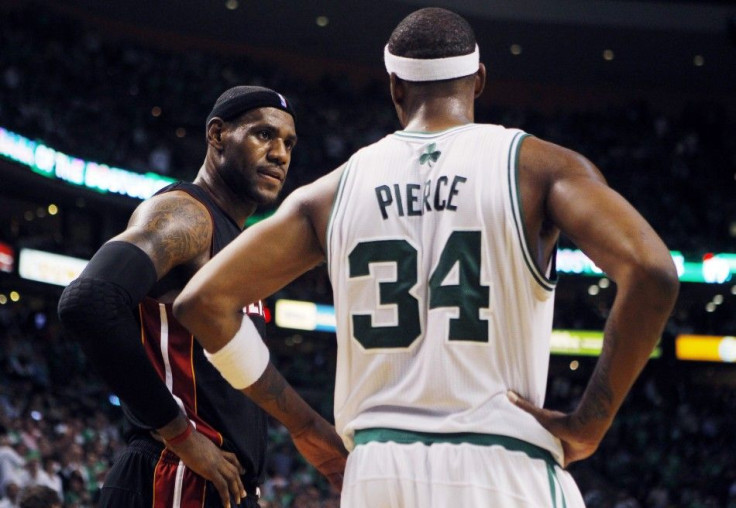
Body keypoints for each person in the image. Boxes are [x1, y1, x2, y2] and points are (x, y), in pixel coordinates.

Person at [173, 8, 679, 508]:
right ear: (478, 79)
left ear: (395, 86)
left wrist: (306, 427)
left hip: (375, 471)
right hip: (503, 461)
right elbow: (652, 271)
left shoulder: (328, 193)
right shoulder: (540, 167)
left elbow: (203, 302)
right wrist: (590, 423)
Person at [57, 86, 347, 508]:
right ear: (216, 135)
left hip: (213, 482)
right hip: (175, 477)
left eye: (289, 143)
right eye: (263, 135)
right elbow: (89, 300)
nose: (280, 154)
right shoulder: (186, 214)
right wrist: (179, 433)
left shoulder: (237, 239)